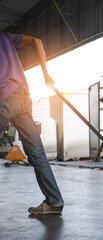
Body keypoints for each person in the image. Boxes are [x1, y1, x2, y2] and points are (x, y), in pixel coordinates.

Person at [0, 32, 64, 215]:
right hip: (23, 96)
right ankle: (54, 201)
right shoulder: (5, 37)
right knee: (36, 152)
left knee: (36, 152)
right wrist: (46, 75)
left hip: (5, 98)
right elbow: (36, 41)